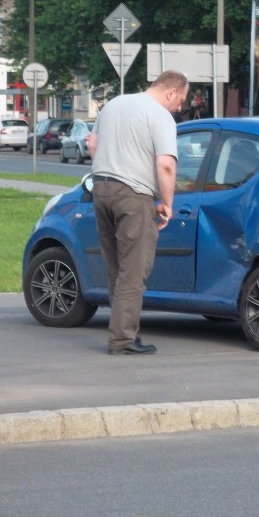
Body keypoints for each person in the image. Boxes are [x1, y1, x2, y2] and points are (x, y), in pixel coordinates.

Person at [88, 70, 189, 355]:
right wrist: (167, 203)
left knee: (116, 268)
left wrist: (111, 167)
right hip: (133, 196)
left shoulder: (114, 104)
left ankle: (122, 330)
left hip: (101, 189)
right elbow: (166, 165)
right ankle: (122, 341)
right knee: (133, 270)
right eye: (180, 100)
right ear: (170, 93)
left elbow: (92, 144)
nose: (179, 107)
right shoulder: (160, 117)